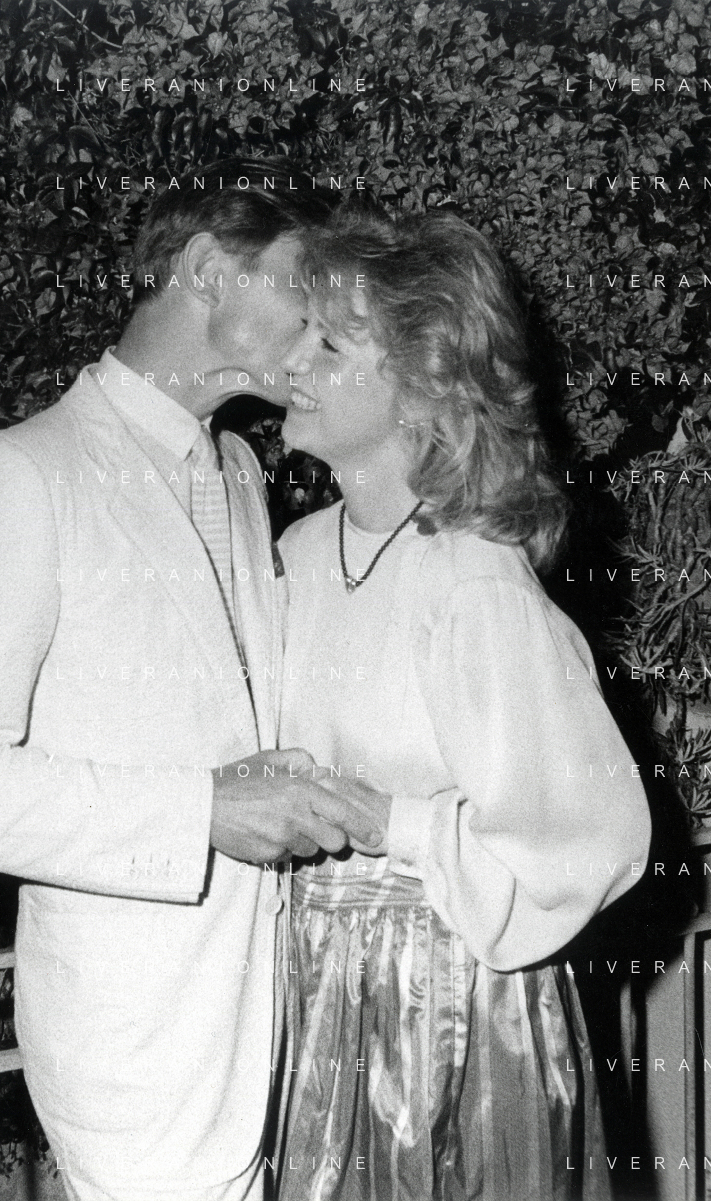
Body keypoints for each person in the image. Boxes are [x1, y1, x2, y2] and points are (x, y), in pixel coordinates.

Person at [0, 159, 383, 1201]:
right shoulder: (20, 475)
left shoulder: (237, 471)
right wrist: (203, 810)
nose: (317, 327)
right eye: (302, 287)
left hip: (268, 1029)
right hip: (138, 1055)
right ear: (207, 269)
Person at [274, 207, 652, 1200]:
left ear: (419, 388)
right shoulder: (294, 556)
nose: (292, 359)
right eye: (300, 331)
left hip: (454, 1009)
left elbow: (596, 836)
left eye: (330, 344)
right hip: (313, 995)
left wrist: (390, 822)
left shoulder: (474, 579)